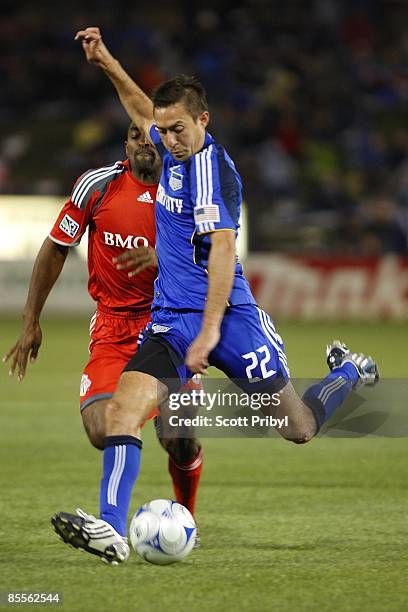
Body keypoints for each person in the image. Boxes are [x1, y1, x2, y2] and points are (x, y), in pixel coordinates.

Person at [50, 27, 379, 565]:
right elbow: (140, 108)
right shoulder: (169, 144)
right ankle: (110, 528)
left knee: (299, 429)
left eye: (177, 129)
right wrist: (106, 60)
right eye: (162, 131)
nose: (167, 140)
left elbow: (223, 252)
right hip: (170, 319)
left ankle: (348, 370)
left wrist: (208, 334)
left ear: (204, 120)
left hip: (230, 320)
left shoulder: (215, 175)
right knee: (124, 413)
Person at [3, 120, 204, 539]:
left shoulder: (188, 190)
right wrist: (30, 320)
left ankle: (183, 519)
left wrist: (166, 259)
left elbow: (216, 262)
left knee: (181, 440)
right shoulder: (97, 186)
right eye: (135, 135)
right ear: (126, 145)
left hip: (170, 324)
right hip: (113, 328)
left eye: (151, 136)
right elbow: (56, 247)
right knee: (102, 428)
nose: (143, 143)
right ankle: (115, 510)